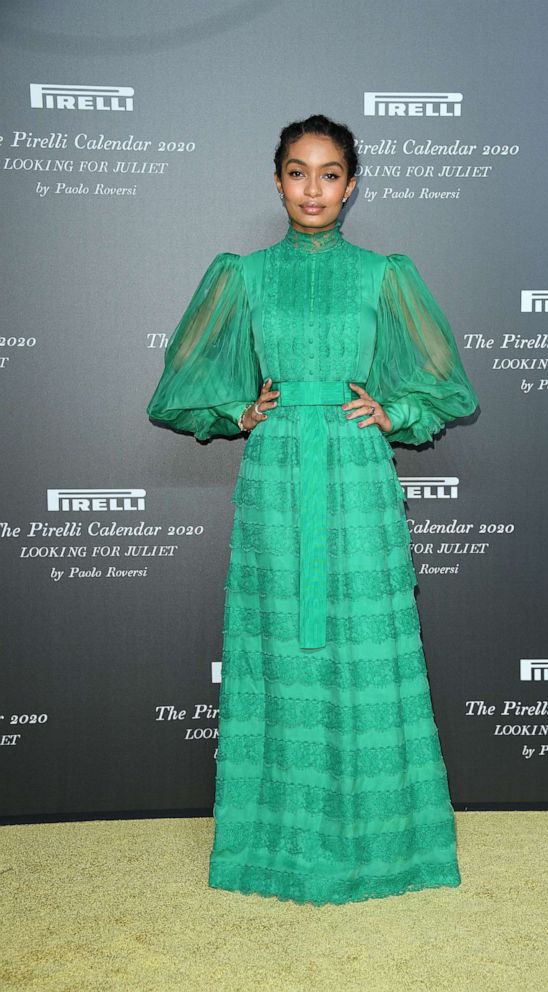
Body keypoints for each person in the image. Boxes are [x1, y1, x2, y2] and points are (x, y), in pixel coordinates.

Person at [146, 113, 479, 905]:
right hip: (277, 474)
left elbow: (446, 385)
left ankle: (389, 842)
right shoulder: (243, 274)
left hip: (358, 474)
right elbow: (181, 387)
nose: (313, 189)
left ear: (352, 184)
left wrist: (395, 414)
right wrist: (238, 412)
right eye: (297, 172)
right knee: (277, 649)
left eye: (330, 174)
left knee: (367, 640)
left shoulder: (384, 274)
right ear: (276, 180)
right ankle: (272, 841)